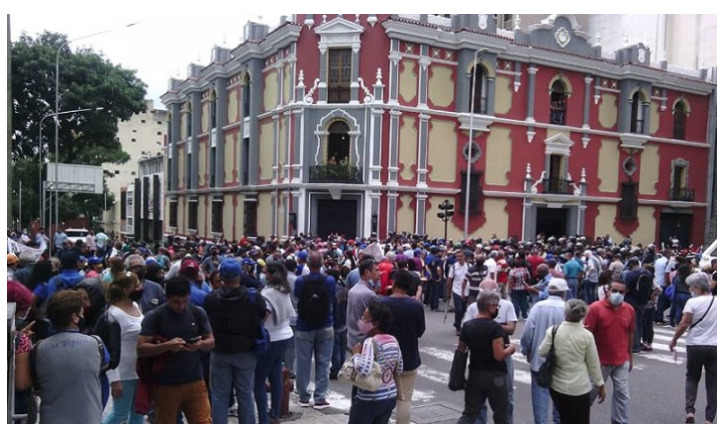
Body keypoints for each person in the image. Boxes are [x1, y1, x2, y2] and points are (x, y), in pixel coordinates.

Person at [137, 276, 215, 424]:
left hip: (195, 382)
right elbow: (141, 349)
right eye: (176, 302)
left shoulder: (197, 313)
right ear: (167, 298)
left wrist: (199, 345)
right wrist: (166, 346)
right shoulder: (155, 316)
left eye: (185, 301)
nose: (181, 306)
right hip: (166, 385)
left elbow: (211, 341)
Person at [32, 290, 109, 423]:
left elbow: (36, 384)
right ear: (75, 317)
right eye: (81, 312)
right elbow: (105, 365)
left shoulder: (38, 349)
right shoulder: (96, 344)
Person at [204, 258, 266, 424]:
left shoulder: (211, 298)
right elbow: (261, 316)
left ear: (221, 276)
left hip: (220, 351)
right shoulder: (252, 297)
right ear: (239, 275)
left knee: (219, 396)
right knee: (245, 394)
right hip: (245, 351)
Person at [538, 299, 606, 424]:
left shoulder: (554, 331)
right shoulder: (586, 336)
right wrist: (600, 384)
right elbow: (594, 364)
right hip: (580, 387)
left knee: (564, 418)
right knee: (581, 420)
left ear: (566, 313)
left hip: (558, 386)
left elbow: (542, 351)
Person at [457, 291, 515, 424]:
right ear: (490, 307)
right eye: (496, 306)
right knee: (501, 415)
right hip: (496, 377)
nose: (497, 309)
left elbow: (461, 350)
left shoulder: (468, 326)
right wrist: (511, 349)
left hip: (475, 374)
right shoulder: (496, 328)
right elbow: (499, 355)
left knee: (470, 414)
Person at [583, 279, 635, 424]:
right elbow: (587, 334)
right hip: (600, 361)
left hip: (621, 359)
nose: (618, 294)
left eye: (621, 292)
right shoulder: (595, 308)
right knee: (591, 392)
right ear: (608, 291)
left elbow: (630, 332)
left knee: (623, 394)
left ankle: (620, 422)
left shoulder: (629, 310)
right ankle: (577, 418)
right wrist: (589, 358)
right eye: (615, 291)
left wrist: (630, 355)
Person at [668, 272, 717, 424]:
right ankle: (709, 418)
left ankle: (690, 412)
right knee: (713, 382)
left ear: (697, 287)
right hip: (715, 346)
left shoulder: (692, 302)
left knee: (692, 378)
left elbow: (684, 323)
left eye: (691, 287)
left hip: (695, 345)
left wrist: (674, 340)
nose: (690, 289)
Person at [520, 278, 568, 424]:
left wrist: (526, 349)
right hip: (562, 362)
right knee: (561, 402)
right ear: (563, 293)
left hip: (539, 360)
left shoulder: (538, 307)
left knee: (540, 401)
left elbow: (528, 331)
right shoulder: (567, 309)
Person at [381, 269, 425, 424]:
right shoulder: (416, 306)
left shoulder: (383, 303)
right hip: (408, 357)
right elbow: (420, 331)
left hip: (385, 357)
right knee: (404, 399)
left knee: (382, 396)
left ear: (393, 283)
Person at [348, 302, 404, 424]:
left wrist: (356, 355)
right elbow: (399, 368)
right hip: (389, 396)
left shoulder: (371, 342)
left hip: (369, 399)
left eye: (365, 318)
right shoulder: (393, 340)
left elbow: (364, 370)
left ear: (375, 324)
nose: (361, 321)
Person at [294, 252, 336, 409]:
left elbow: (298, 297)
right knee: (324, 362)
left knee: (302, 362)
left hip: (304, 325)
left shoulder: (300, 281)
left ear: (308, 264)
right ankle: (320, 397)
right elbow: (331, 298)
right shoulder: (329, 280)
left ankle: (303, 396)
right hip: (325, 324)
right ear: (322, 263)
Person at [254, 261, 295, 424]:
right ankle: (274, 414)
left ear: (271, 275)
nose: (263, 275)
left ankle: (264, 418)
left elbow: (265, 315)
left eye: (265, 272)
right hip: (284, 335)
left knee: (258, 380)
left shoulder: (268, 293)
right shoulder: (283, 290)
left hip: (270, 337)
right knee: (275, 375)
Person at [103, 272, 145, 424]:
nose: (140, 288)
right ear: (126, 289)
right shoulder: (114, 314)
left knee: (138, 413)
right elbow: (110, 348)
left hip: (139, 370)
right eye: (137, 286)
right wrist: (114, 379)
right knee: (119, 414)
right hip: (123, 373)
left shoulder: (135, 306)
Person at [347, 259, 380, 351]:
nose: (379, 273)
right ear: (367, 272)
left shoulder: (353, 290)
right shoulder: (369, 294)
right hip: (364, 342)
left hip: (352, 339)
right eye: (376, 270)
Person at [447, 249, 469, 335]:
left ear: (464, 257)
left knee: (463, 309)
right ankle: (458, 326)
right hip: (456, 290)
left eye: (461, 256)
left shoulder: (469, 266)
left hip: (466, 291)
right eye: (457, 257)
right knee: (458, 309)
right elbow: (449, 280)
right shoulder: (453, 267)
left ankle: (457, 322)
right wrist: (448, 292)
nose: (459, 258)